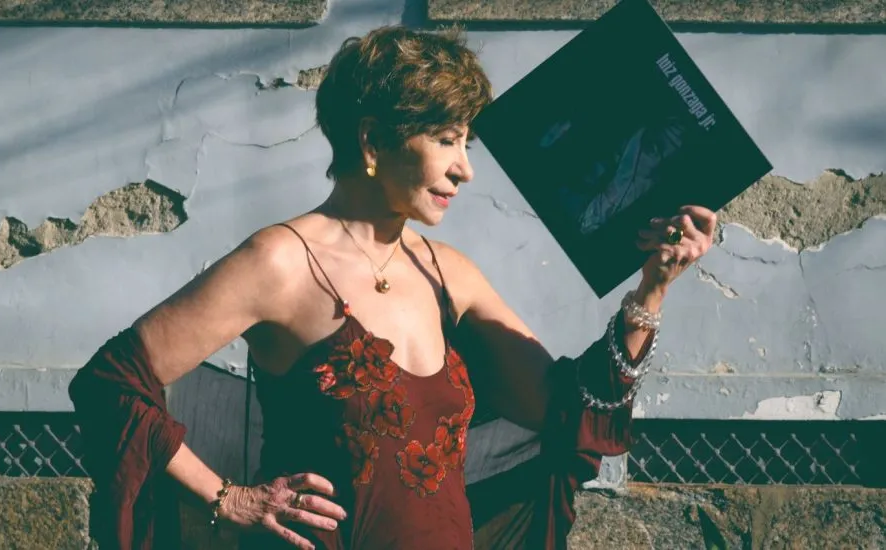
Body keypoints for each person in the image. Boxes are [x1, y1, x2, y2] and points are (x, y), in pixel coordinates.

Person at [68, 25, 716, 550]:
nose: (464, 169)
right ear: (373, 140)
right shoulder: (280, 262)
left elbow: (567, 411)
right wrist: (228, 498)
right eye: (447, 140)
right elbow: (109, 382)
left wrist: (652, 287)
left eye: (466, 142)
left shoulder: (448, 275)